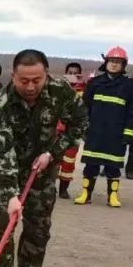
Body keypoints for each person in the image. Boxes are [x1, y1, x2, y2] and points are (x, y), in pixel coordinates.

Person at [0, 50, 87, 267]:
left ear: (46, 75)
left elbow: (80, 123)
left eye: (36, 80)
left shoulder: (61, 91)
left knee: (39, 225)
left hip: (43, 168)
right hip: (7, 170)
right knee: (4, 226)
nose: (30, 86)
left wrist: (52, 154)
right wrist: (10, 194)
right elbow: (2, 151)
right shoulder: (1, 103)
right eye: (24, 81)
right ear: (13, 76)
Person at [73, 47, 133, 207]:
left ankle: (113, 196)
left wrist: (129, 133)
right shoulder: (94, 83)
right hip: (95, 132)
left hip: (116, 133)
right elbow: (84, 108)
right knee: (91, 166)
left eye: (118, 62)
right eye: (112, 61)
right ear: (106, 63)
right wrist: (83, 128)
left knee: (113, 167)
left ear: (123, 65)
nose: (114, 65)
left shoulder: (129, 85)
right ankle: (86, 194)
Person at [57, 62, 85, 198]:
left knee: (69, 161)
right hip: (57, 131)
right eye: (70, 73)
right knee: (53, 160)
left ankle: (63, 189)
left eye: (76, 73)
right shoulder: (57, 89)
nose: (73, 75)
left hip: (73, 132)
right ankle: (49, 186)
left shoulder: (84, 91)